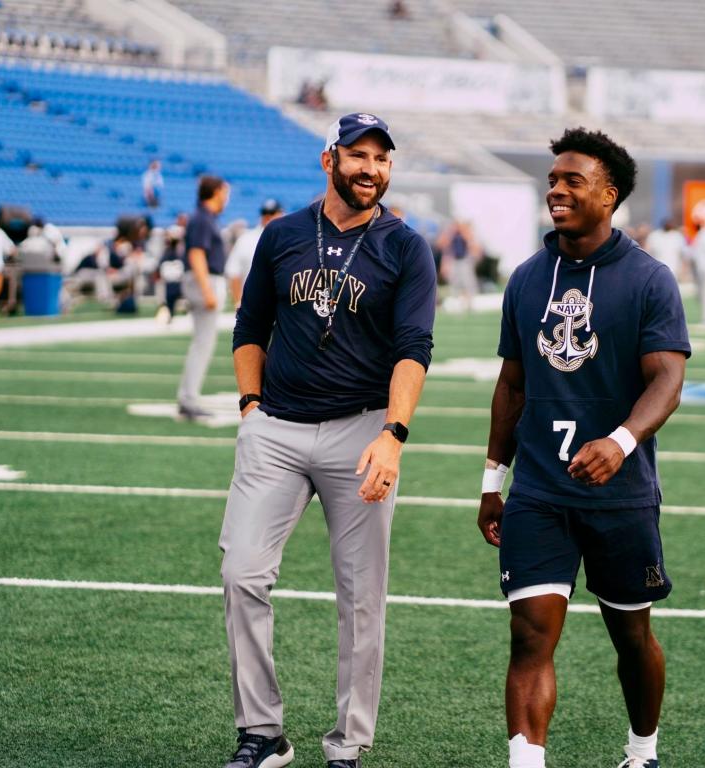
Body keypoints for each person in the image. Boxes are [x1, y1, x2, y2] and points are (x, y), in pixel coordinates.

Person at [220, 112, 436, 768]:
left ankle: (348, 746)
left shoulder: (405, 246)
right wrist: (251, 406)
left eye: (382, 159)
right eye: (359, 155)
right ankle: (262, 732)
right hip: (276, 430)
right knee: (241, 574)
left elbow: (413, 348)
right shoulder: (283, 234)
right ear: (329, 160)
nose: (371, 169)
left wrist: (394, 434)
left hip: (361, 431)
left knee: (361, 597)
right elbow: (250, 324)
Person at [477, 127, 690, 768]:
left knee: (631, 635)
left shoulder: (650, 279)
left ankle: (642, 752)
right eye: (552, 180)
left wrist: (622, 441)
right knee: (530, 635)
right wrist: (493, 481)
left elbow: (668, 379)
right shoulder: (525, 279)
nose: (557, 191)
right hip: (539, 491)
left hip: (619, 495)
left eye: (573, 181)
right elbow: (512, 386)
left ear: (610, 193)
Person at [177, 175, 230, 420]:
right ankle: (188, 398)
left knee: (203, 342)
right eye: (225, 191)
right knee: (203, 343)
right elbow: (197, 254)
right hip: (205, 280)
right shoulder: (202, 219)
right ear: (216, 192)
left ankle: (188, 396)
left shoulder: (204, 218)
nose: (227, 197)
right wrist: (207, 290)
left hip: (206, 280)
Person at [225, 198, 285, 308]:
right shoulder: (245, 239)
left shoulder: (288, 238)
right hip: (254, 304)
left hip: (281, 304)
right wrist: (238, 302)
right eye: (268, 215)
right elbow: (233, 273)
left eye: (273, 214)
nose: (270, 218)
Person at [437, 219, 482, 311]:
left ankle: (469, 303)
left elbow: (475, 249)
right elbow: (441, 245)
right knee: (455, 283)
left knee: (467, 282)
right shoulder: (452, 235)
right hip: (454, 261)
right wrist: (450, 233)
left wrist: (465, 233)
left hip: (465, 261)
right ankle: (458, 303)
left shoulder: (467, 235)